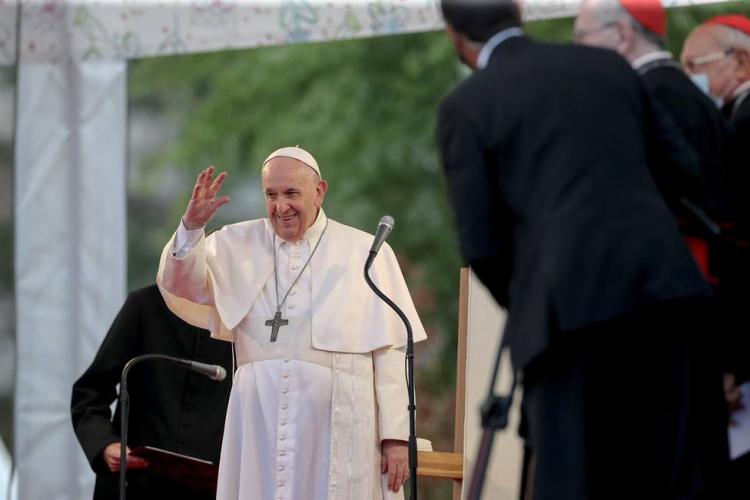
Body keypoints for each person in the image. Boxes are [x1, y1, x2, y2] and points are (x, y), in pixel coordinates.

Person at [437, 1, 726, 498]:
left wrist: (534, 296)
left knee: (579, 479)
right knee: (678, 476)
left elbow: (481, 244)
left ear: (453, 35)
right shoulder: (607, 67)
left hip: (565, 318)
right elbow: (683, 173)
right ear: (520, 13)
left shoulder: (468, 106)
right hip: (665, 293)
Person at [156, 146, 427, 499]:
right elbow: (180, 284)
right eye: (271, 195)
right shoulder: (235, 243)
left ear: (319, 191)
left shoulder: (362, 251)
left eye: (291, 194)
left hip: (339, 426)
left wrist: (394, 437)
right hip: (259, 424)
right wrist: (191, 228)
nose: (280, 207)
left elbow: (390, 350)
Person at [575, 0, 732, 281]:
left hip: (676, 261)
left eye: (583, 37)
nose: (579, 49)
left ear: (623, 34)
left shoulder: (646, 94)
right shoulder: (673, 85)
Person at [71, 284, 233, 500]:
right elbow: (90, 393)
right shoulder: (145, 305)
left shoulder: (241, 318)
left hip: (209, 489)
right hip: (134, 485)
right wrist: (105, 444)